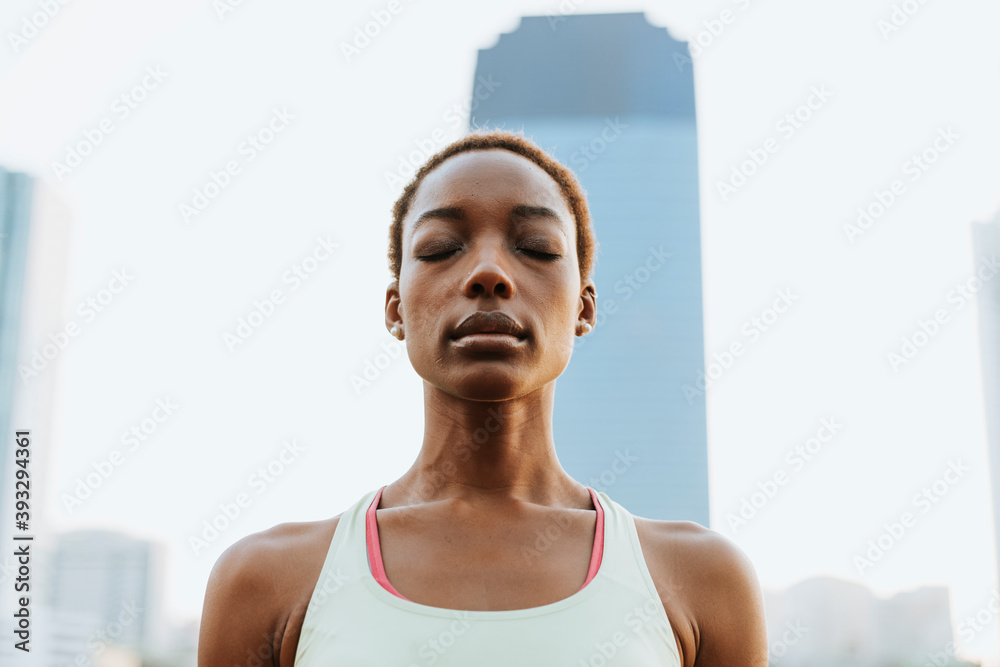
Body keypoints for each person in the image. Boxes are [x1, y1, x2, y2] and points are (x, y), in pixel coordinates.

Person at [198, 129, 769, 666]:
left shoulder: (702, 581)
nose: (490, 272)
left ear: (584, 308)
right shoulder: (267, 581)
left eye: (538, 248)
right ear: (396, 308)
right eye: (441, 248)